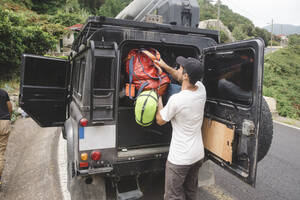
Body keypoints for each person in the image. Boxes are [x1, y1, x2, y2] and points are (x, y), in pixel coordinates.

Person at [154, 56, 206, 200]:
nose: (178, 68)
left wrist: (158, 97)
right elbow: (178, 76)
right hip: (197, 155)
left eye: (180, 67)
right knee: (191, 192)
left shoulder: (177, 100)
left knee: (173, 196)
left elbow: (160, 120)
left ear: (186, 75)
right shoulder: (201, 89)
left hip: (179, 160)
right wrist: (164, 66)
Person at [0, 88, 12, 187]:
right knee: (0, 152)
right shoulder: (3, 92)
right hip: (4, 123)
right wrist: (8, 118)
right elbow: (10, 108)